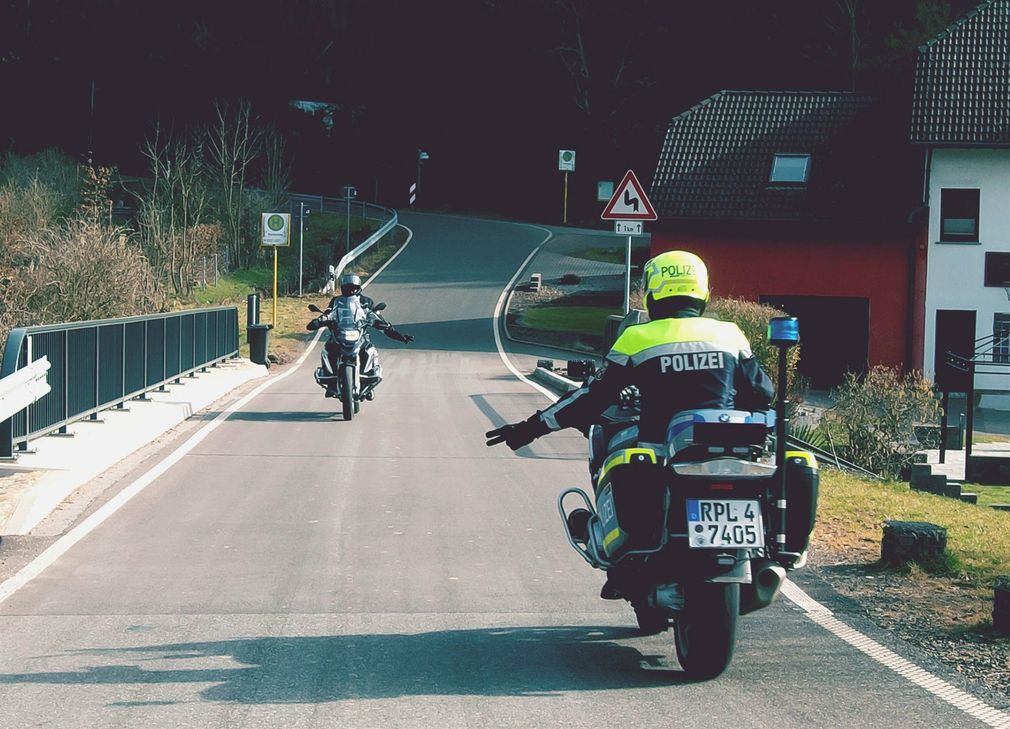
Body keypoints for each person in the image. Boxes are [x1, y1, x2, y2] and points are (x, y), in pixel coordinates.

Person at [485, 250, 773, 452]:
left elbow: (591, 399)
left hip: (661, 454)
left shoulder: (637, 337)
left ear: (651, 294)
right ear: (703, 292)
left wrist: (528, 429)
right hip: (726, 453)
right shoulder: (730, 334)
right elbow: (762, 393)